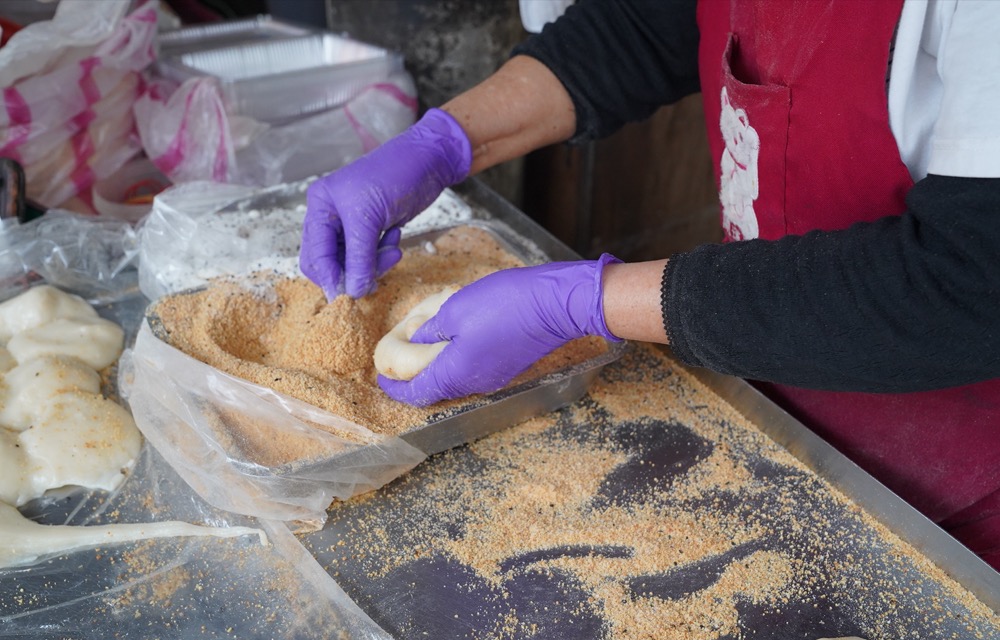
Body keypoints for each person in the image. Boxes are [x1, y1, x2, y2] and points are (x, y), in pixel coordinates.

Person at [299, 0, 1000, 569]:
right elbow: (647, 25)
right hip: (780, 410)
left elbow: (970, 283)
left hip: (959, 489)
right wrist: (447, 139)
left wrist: (583, 302)